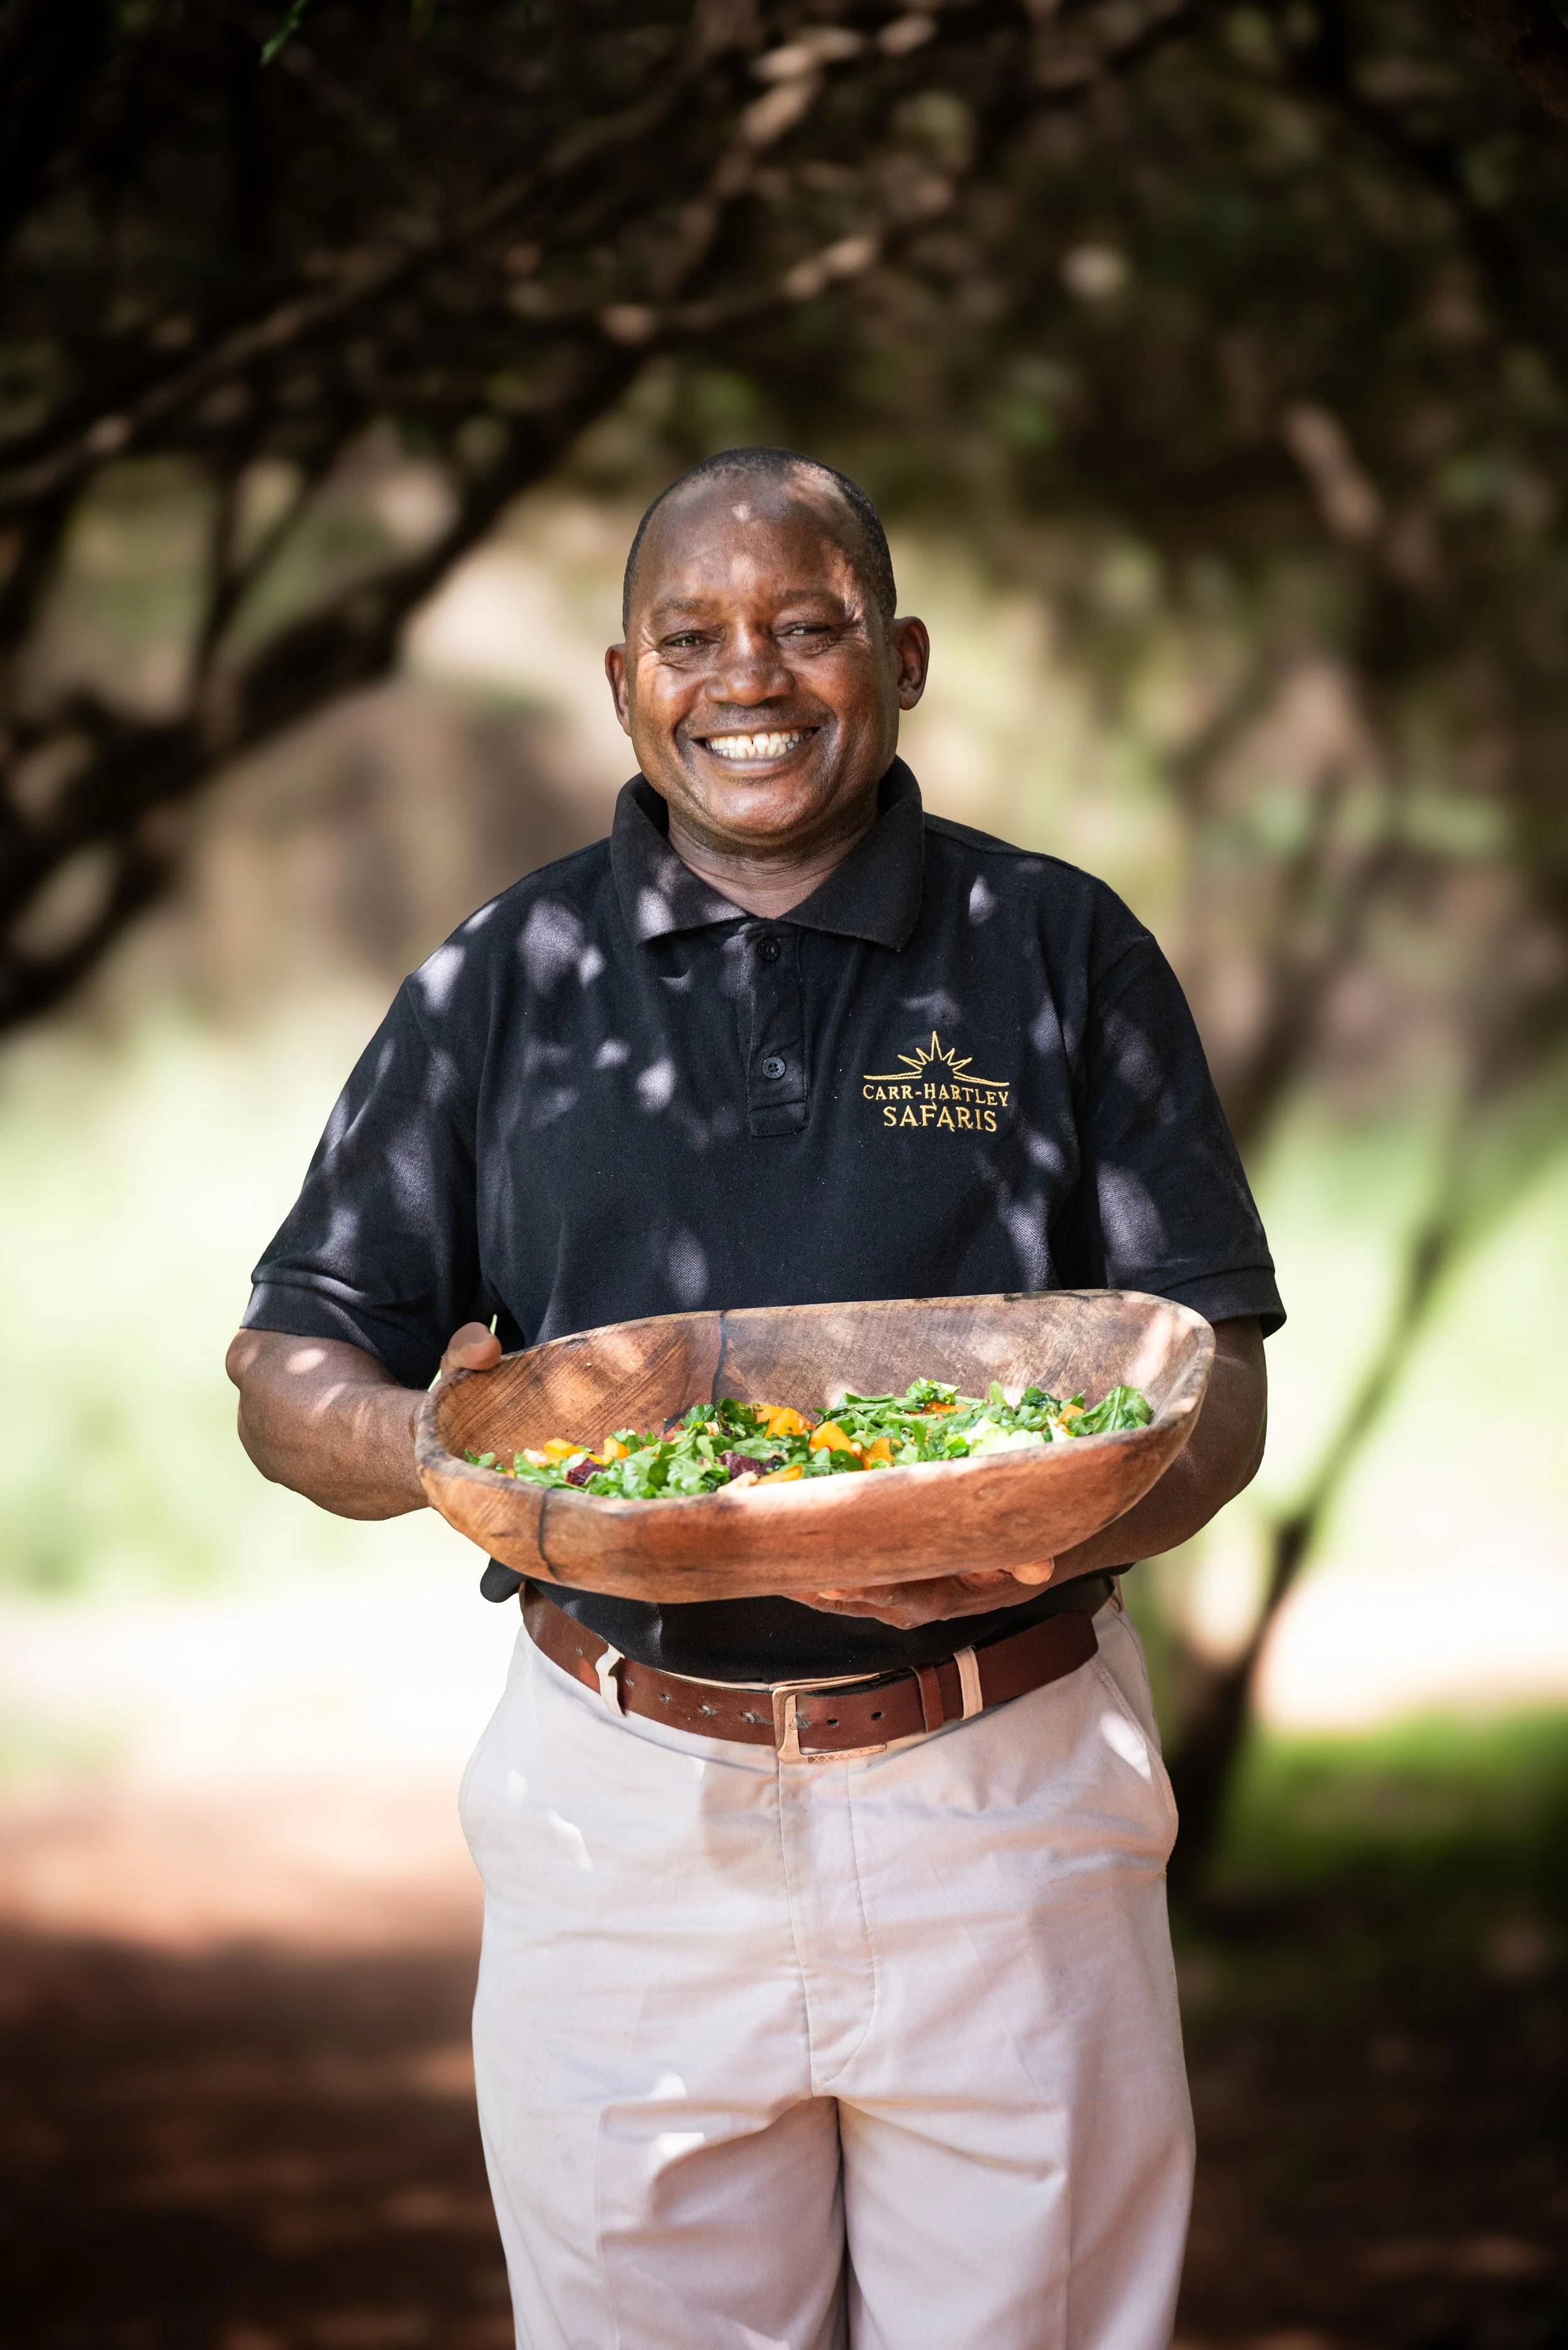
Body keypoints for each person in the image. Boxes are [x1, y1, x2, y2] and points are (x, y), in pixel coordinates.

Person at [228, 447, 1283, 2350]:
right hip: (618, 1809)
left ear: (903, 658)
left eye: (807, 628)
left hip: (1005, 1792)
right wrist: (432, 1456)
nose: (751, 678)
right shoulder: (503, 981)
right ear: (624, 680)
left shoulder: (1057, 954)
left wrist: (1024, 1523)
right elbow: (292, 1355)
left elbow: (1207, 1386)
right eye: (692, 637)